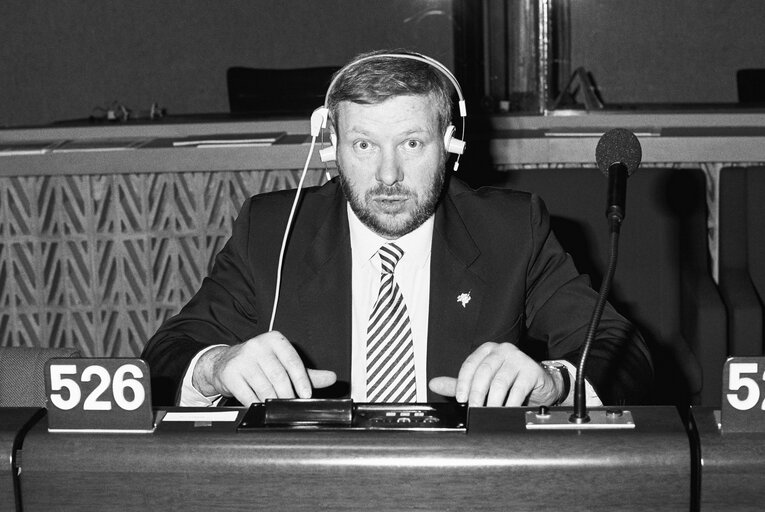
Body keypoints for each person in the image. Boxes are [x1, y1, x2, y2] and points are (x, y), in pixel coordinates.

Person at [141, 50, 652, 408]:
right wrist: (217, 366)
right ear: (330, 149)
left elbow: (621, 350)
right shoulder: (273, 230)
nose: (388, 175)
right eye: (364, 146)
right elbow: (167, 353)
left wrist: (554, 384)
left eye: (411, 143)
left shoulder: (512, 230)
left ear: (451, 146)